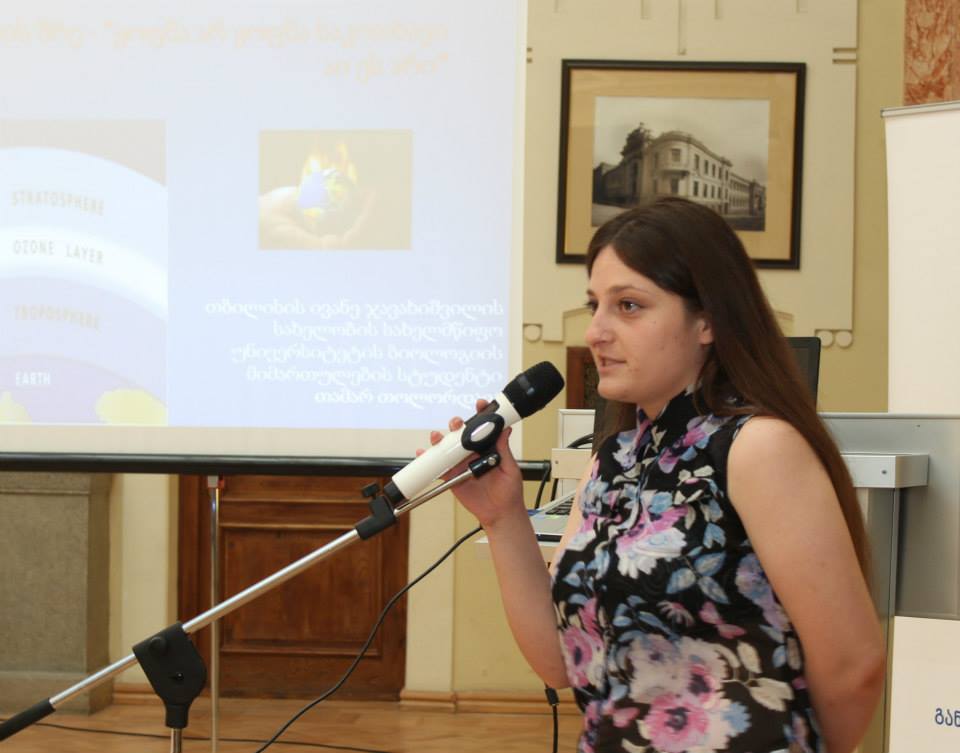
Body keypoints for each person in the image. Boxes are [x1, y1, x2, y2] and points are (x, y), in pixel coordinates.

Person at [425, 197, 884, 753]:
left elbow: (853, 665)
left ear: (708, 319)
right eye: (595, 305)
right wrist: (501, 517)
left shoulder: (759, 448)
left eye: (629, 306)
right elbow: (560, 662)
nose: (596, 331)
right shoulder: (614, 460)